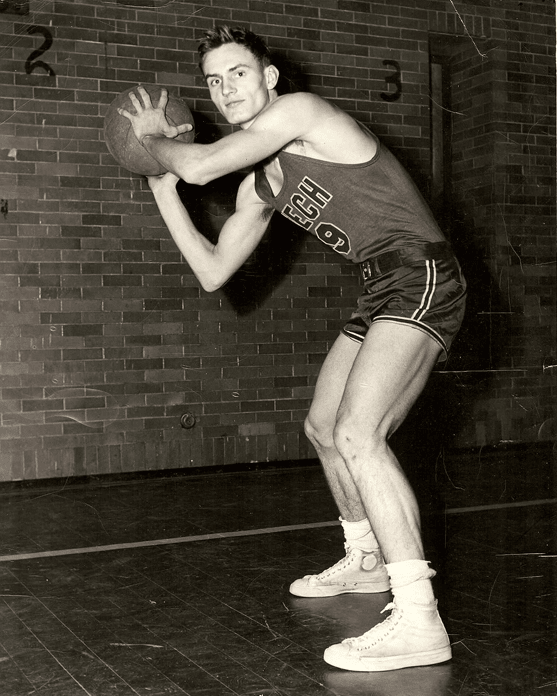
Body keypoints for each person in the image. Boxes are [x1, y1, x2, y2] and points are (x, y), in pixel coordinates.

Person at [119, 25, 467, 672]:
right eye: (215, 82)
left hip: (421, 275)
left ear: (270, 77)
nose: (226, 90)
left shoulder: (301, 114)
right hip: (378, 289)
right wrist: (163, 189)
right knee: (322, 426)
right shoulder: (261, 183)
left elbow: (198, 163)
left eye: (239, 74)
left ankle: (418, 618)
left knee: (360, 434)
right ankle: (363, 557)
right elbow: (214, 270)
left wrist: (155, 144)